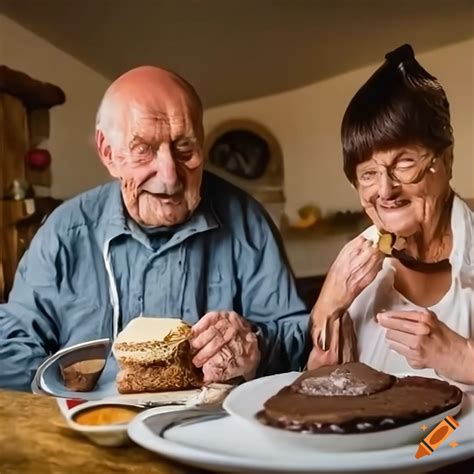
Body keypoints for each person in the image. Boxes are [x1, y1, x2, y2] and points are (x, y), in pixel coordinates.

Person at [0, 66, 309, 391]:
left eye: (185, 149)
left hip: (207, 432)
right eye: (143, 149)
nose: (170, 176)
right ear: (108, 152)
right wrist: (51, 404)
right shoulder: (65, 230)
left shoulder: (247, 222)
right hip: (90, 425)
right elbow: (13, 340)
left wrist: (254, 346)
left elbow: (295, 332)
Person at [308, 44, 474, 386]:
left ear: (446, 160)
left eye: (403, 164)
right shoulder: (352, 275)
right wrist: (326, 310)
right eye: (368, 173)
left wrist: (458, 357)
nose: (385, 190)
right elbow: (324, 398)